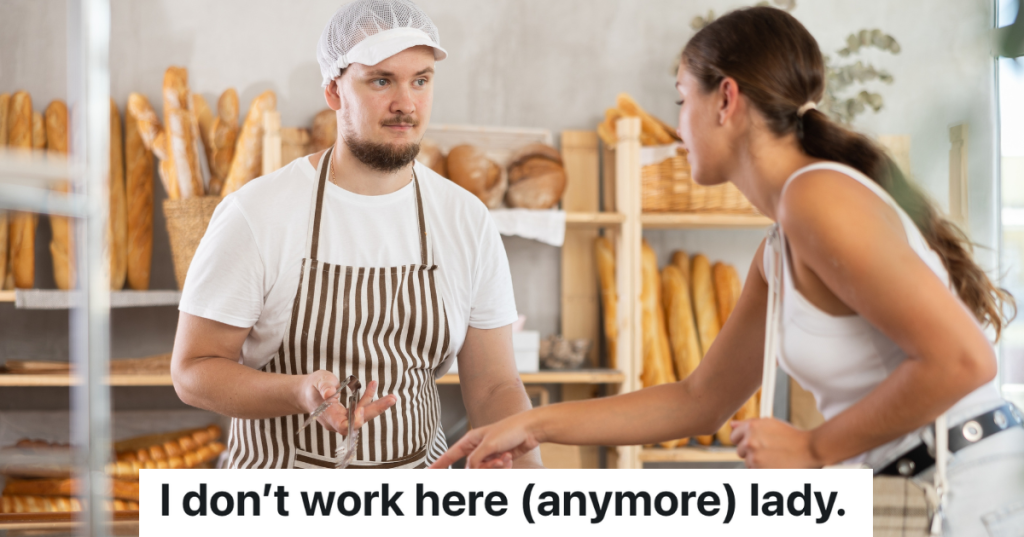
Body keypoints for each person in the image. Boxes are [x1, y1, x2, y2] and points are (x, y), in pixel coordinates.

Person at [431, 6, 1024, 532]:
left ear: (727, 99)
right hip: (912, 492)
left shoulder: (816, 197)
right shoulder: (779, 243)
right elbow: (699, 400)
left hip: (971, 496)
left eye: (682, 99)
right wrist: (533, 424)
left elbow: (964, 359)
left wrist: (815, 446)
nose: (680, 128)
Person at [171, 0, 541, 470]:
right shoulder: (257, 213)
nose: (406, 103)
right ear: (333, 90)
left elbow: (494, 387)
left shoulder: (465, 218)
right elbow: (193, 372)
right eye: (381, 80)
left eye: (421, 80)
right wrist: (297, 392)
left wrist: (531, 490)